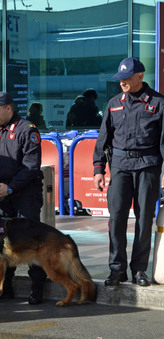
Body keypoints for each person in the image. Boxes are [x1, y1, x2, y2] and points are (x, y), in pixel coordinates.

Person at [93, 57, 164, 287]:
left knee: (144, 220)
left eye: (126, 78)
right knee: (116, 220)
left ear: (140, 76)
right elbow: (104, 138)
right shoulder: (114, 103)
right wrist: (98, 169)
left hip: (147, 167)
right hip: (121, 166)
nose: (122, 82)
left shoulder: (158, 103)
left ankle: (139, 270)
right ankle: (117, 270)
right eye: (120, 78)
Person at [0, 91, 47, 305]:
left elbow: (30, 166)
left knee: (30, 241)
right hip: (1, 195)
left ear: (9, 108)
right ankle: (4, 288)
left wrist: (11, 187)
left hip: (24, 193)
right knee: (1, 242)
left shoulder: (27, 130)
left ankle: (37, 289)